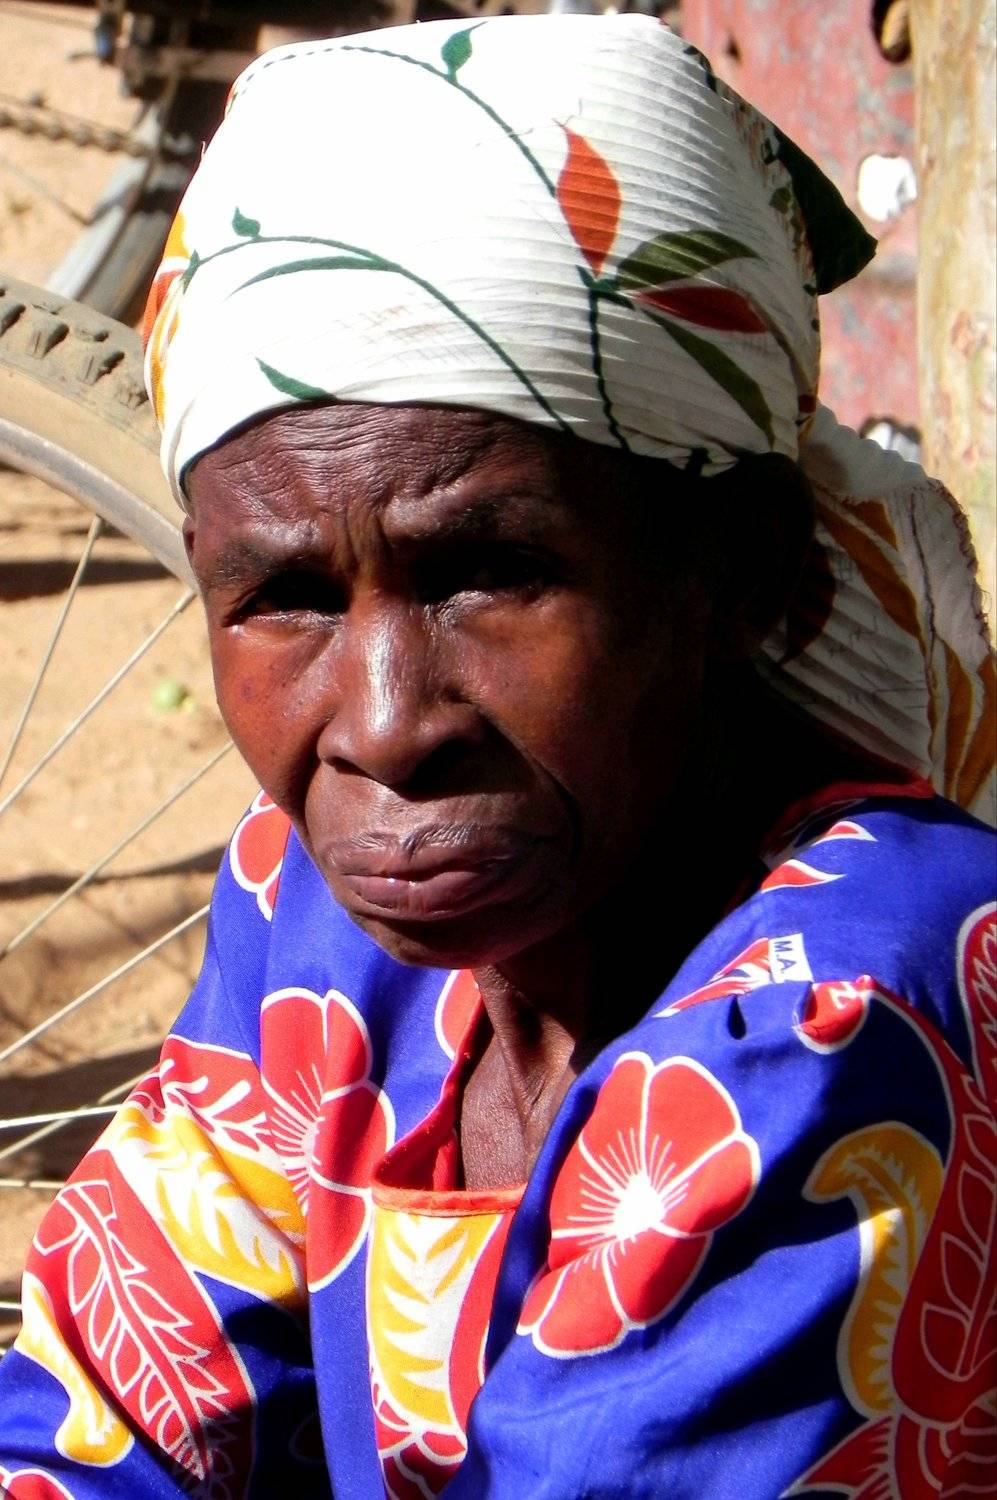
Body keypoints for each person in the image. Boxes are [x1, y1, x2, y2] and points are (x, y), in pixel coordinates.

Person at [0, 14, 994, 1499]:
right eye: (284, 598)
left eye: (488, 573)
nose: (385, 724)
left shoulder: (837, 1012)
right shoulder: (316, 913)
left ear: (746, 572)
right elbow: (110, 1397)